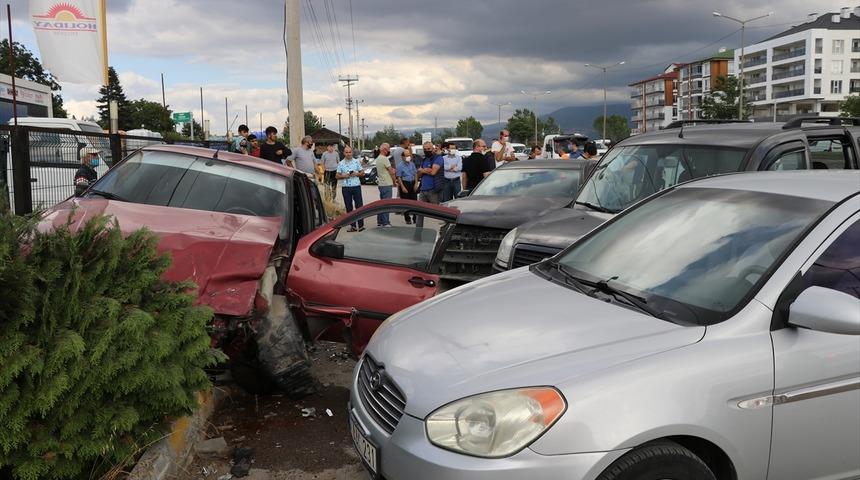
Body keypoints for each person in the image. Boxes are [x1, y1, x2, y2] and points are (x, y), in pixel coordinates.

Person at [336, 146, 365, 232]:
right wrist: (344, 176)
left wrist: (356, 174)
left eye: (350, 152)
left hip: (356, 186)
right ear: (344, 153)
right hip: (346, 187)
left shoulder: (356, 162)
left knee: (359, 206)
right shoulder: (341, 163)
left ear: (352, 153)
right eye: (346, 152)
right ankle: (353, 226)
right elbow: (337, 176)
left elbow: (362, 173)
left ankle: (361, 225)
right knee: (349, 207)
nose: (348, 154)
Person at [375, 143, 395, 227]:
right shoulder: (385, 159)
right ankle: (386, 222)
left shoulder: (378, 158)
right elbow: (391, 171)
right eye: (388, 149)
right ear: (385, 150)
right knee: (387, 204)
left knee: (382, 203)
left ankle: (380, 220)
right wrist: (395, 181)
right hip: (387, 183)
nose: (389, 150)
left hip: (381, 184)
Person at [396, 148, 419, 224]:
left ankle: (415, 218)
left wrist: (416, 183)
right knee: (405, 203)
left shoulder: (412, 164)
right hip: (405, 183)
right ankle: (407, 219)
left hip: (412, 183)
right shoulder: (400, 166)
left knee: (415, 202)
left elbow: (415, 173)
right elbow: (399, 177)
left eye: (409, 155)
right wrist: (402, 187)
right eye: (406, 156)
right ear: (402, 157)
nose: (409, 157)